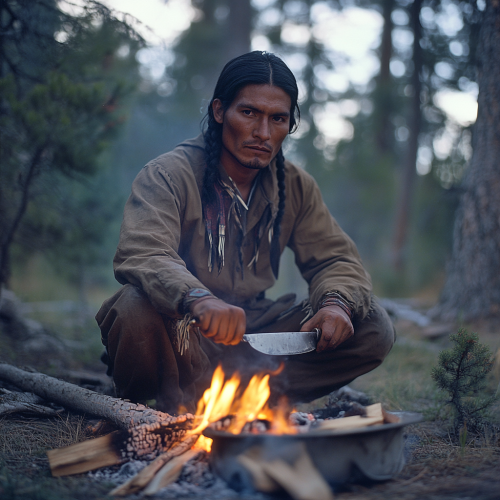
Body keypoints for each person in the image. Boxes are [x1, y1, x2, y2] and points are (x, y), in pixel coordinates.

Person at [96, 51, 395, 414]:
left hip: (254, 335)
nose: (263, 133)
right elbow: (144, 253)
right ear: (220, 112)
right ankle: (162, 405)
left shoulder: (295, 185)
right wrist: (198, 298)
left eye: (278, 119)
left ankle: (244, 401)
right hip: (184, 329)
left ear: (290, 124)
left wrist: (336, 304)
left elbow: (334, 257)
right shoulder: (168, 175)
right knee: (133, 307)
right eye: (249, 113)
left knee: (371, 325)